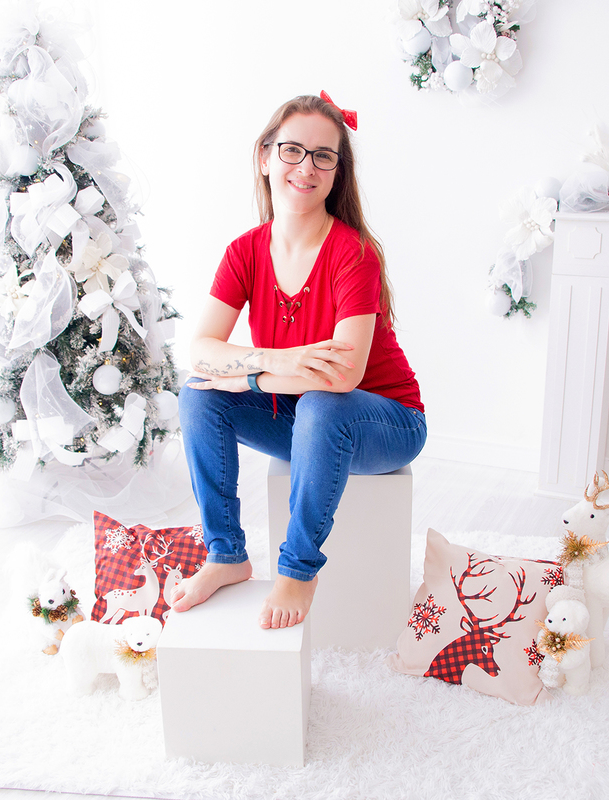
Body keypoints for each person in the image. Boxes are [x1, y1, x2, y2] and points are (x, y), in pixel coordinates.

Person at [169, 92, 426, 630]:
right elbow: (202, 350)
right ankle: (226, 554)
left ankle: (299, 568)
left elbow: (343, 374)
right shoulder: (245, 250)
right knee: (198, 393)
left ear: (336, 172)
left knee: (321, 404)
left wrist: (246, 377)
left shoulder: (353, 252)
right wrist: (266, 371)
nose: (305, 167)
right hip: (299, 413)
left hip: (384, 420)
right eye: (291, 150)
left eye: (322, 156)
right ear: (264, 157)